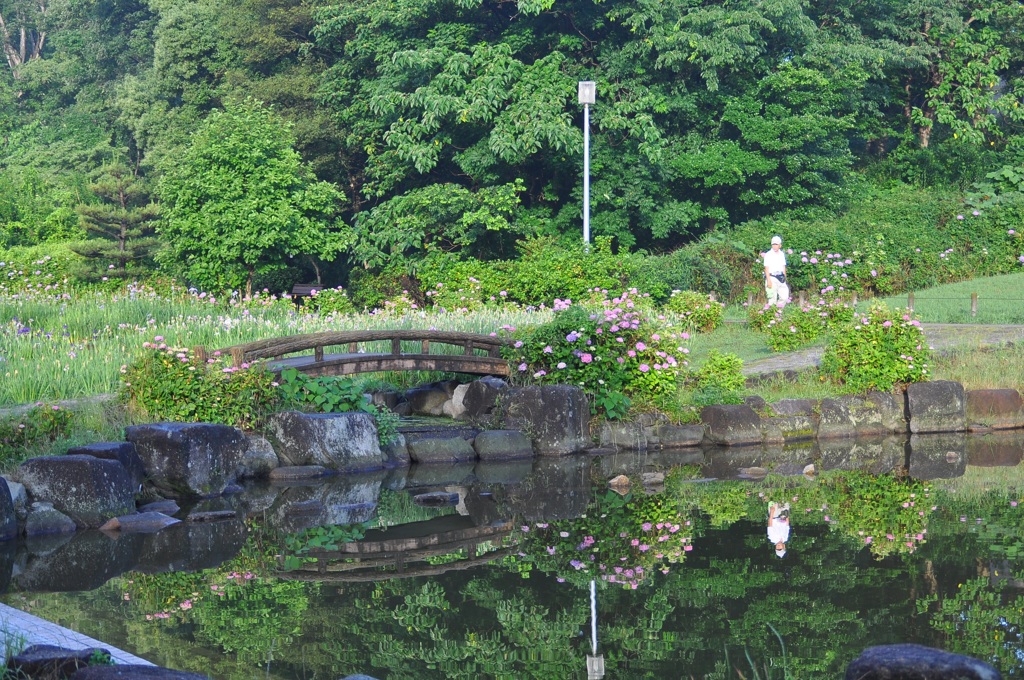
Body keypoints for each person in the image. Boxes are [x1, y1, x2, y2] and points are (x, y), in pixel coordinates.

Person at [763, 235, 789, 306]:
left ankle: (778, 311)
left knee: (784, 297)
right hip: (772, 277)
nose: (774, 246)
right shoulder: (768, 254)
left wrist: (784, 277)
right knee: (772, 299)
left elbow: (783, 266)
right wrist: (768, 281)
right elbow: (766, 268)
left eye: (776, 244)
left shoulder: (782, 254)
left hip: (781, 277)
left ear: (780, 245)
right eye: (773, 244)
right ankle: (772, 314)